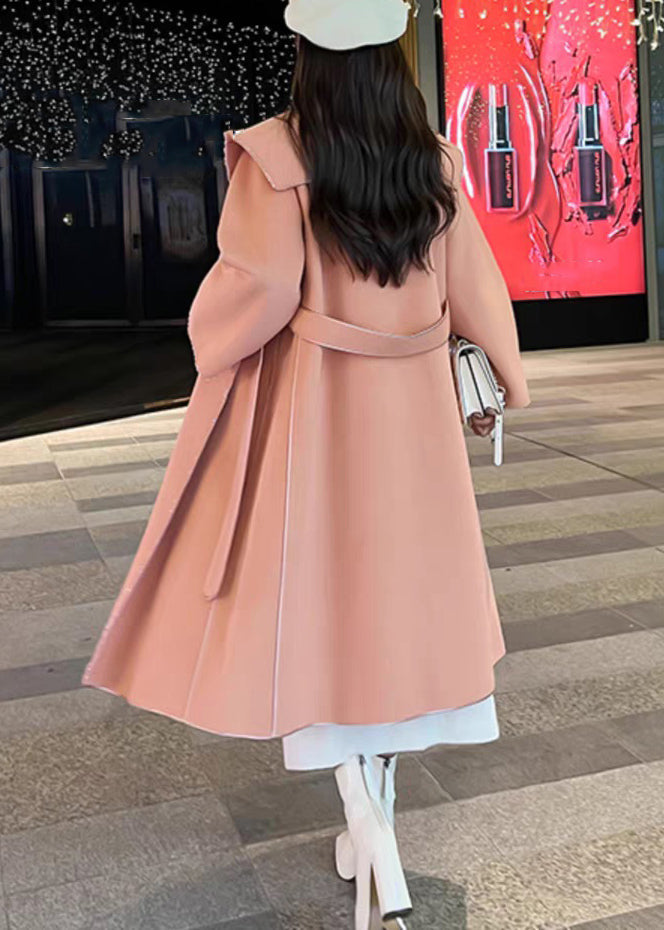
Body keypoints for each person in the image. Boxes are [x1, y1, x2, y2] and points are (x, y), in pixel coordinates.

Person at [82, 0, 531, 927]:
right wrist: (507, 376)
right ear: (393, 53)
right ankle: (375, 822)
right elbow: (476, 287)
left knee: (320, 600)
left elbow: (255, 291)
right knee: (404, 600)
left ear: (308, 52)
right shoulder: (433, 160)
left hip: (319, 409)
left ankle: (364, 818)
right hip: (415, 418)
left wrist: (209, 336)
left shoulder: (278, 158)